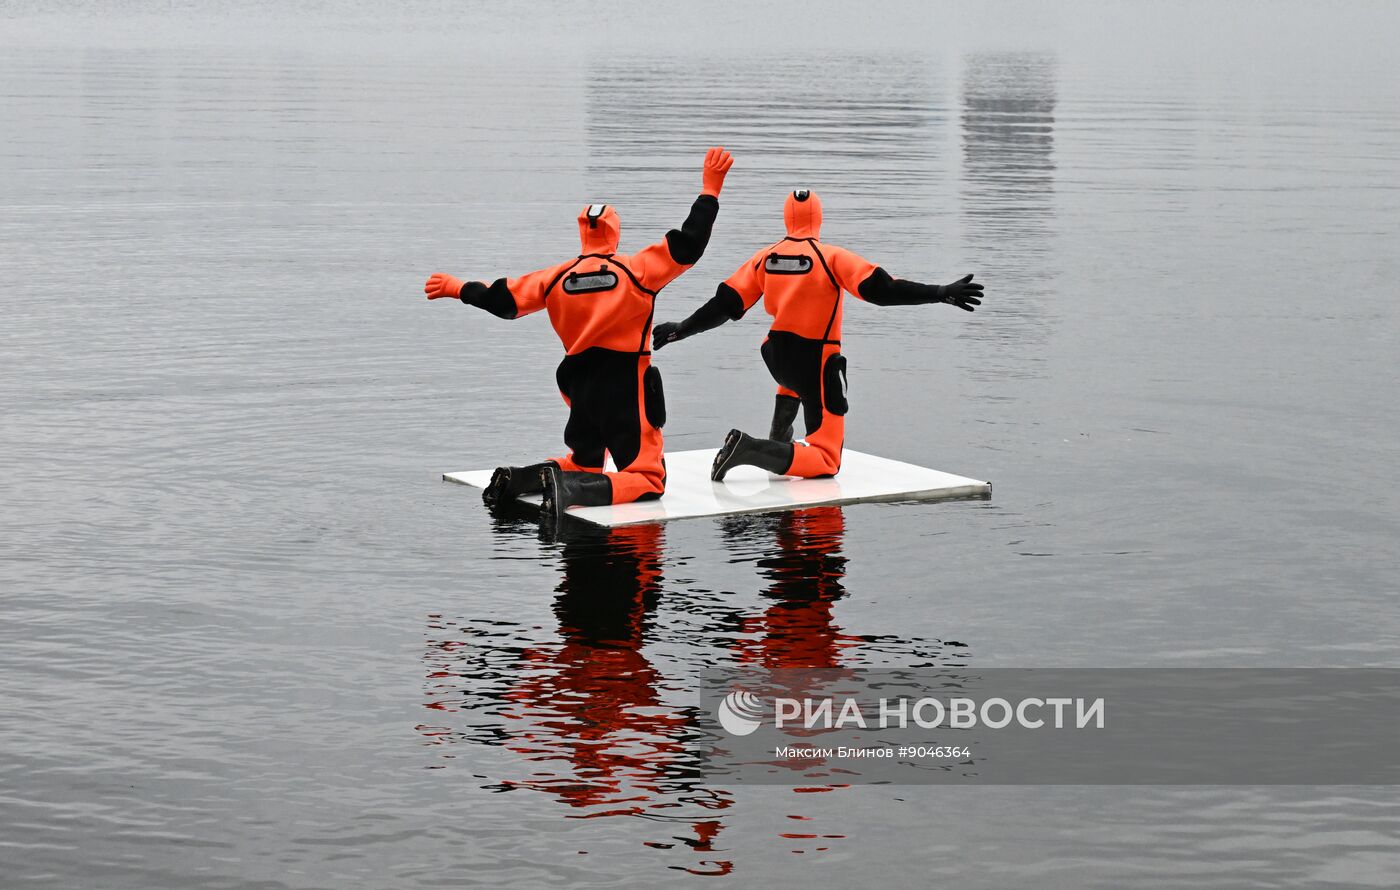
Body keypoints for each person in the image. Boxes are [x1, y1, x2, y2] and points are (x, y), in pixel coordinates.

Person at [424, 147, 734, 521]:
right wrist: (710, 189)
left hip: (577, 383)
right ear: (615, 233)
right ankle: (569, 491)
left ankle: (519, 479)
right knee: (648, 478)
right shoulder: (638, 271)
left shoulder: (554, 278)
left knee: (584, 463)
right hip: (625, 383)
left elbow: (500, 300)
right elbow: (689, 243)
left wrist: (458, 288)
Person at [652, 188, 983, 481]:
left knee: (793, 374)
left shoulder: (764, 258)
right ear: (819, 219)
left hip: (776, 356)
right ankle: (750, 450)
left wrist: (679, 330)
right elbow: (883, 290)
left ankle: (779, 438)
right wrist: (941, 291)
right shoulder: (832, 258)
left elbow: (723, 306)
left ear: (786, 218)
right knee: (827, 460)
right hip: (816, 362)